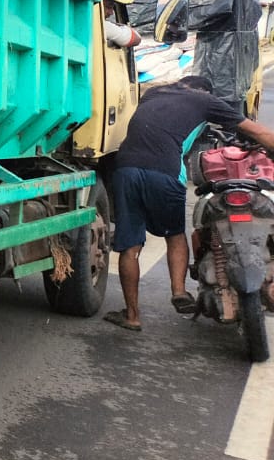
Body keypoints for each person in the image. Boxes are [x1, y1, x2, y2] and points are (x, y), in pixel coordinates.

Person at [107, 74, 274, 332]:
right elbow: (257, 131)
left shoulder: (153, 94)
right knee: (174, 234)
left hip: (125, 169)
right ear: (204, 91)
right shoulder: (205, 100)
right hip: (163, 171)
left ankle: (132, 316)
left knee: (130, 245)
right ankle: (179, 291)